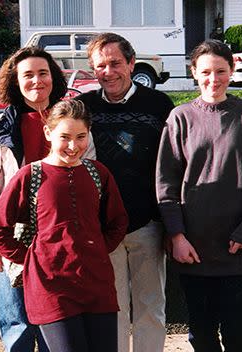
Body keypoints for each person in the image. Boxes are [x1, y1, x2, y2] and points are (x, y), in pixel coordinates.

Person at [0, 46, 94, 352]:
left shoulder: (71, 120)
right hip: (11, 243)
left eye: (43, 73)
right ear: (15, 81)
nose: (37, 81)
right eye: (28, 75)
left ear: (53, 77)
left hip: (60, 240)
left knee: (57, 324)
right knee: (18, 324)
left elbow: (87, 176)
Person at [0, 99, 128, 352]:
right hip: (50, 289)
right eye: (65, 137)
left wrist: (97, 249)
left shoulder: (98, 172)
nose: (73, 146)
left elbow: (117, 221)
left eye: (81, 136)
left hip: (98, 286)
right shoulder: (30, 175)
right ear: (48, 133)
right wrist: (30, 258)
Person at [155, 39, 242, 352]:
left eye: (221, 70)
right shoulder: (180, 118)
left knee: (241, 335)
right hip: (194, 247)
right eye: (205, 71)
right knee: (202, 335)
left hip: (239, 248)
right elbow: (166, 182)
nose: (213, 78)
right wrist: (176, 235)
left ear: (231, 71)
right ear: (194, 72)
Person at [76, 32, 175, 352]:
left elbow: (174, 162)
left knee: (151, 306)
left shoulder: (158, 105)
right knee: (110, 307)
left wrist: (171, 223)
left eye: (115, 63)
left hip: (148, 223)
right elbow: (50, 123)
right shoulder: (84, 107)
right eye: (100, 66)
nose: (108, 72)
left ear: (132, 64)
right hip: (103, 228)